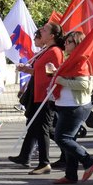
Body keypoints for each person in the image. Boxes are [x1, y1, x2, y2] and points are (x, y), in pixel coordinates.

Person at [10, 22, 64, 174]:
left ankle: (45, 162)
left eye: (45, 29)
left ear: (52, 35)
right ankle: (30, 157)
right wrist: (26, 69)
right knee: (38, 128)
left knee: (44, 129)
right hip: (38, 94)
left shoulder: (55, 51)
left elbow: (53, 74)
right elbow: (40, 72)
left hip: (46, 95)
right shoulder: (47, 50)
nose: (41, 30)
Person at [49, 31, 93, 185]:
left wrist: (61, 80)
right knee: (69, 140)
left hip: (75, 107)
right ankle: (71, 175)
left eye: (69, 42)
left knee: (62, 138)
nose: (65, 44)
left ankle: (88, 161)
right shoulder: (71, 60)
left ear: (78, 44)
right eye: (66, 41)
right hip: (66, 105)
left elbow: (84, 85)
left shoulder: (81, 62)